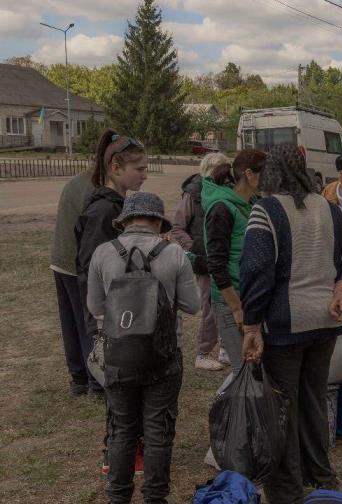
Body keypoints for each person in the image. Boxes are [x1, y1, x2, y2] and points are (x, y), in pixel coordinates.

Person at [240, 144, 342, 501]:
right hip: (325, 325)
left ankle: (287, 488)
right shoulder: (330, 210)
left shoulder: (266, 210)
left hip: (284, 326)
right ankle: (321, 474)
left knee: (281, 407)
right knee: (313, 399)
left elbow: (255, 270)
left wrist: (251, 326)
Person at [86, 192, 200, 504]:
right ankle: (154, 497)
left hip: (118, 355)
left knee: (122, 429)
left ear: (125, 220)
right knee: (158, 431)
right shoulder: (173, 253)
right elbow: (192, 305)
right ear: (156, 220)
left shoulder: (102, 253)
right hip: (163, 355)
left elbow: (95, 305)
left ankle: (118, 497)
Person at [75, 129, 149, 398]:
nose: (145, 174)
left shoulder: (117, 206)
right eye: (139, 168)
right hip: (108, 315)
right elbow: (91, 266)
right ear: (116, 167)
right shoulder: (103, 211)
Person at [202, 149, 266, 372]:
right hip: (232, 302)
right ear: (249, 174)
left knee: (255, 372)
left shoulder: (252, 204)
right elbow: (216, 264)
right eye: (265, 173)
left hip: (251, 299)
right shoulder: (221, 208)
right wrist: (236, 308)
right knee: (245, 372)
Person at [170, 152, 230, 371]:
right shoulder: (193, 194)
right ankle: (203, 352)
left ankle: (226, 348)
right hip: (205, 261)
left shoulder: (228, 190)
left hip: (225, 259)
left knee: (228, 304)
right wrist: (194, 247)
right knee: (210, 306)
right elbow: (177, 226)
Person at [51, 170, 95, 396]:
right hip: (77, 265)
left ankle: (78, 378)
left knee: (71, 321)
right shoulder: (96, 188)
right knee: (87, 322)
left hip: (62, 260)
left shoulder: (76, 181)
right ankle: (92, 378)